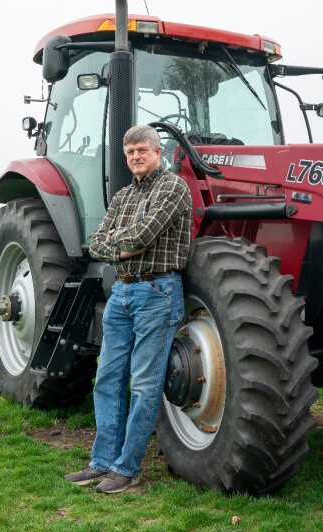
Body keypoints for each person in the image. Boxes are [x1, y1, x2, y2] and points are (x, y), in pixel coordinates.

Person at [65, 124, 192, 494]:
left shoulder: (173, 187)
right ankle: (101, 462)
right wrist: (122, 249)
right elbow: (97, 244)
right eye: (130, 152)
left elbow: (142, 236)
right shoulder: (122, 196)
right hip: (122, 292)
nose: (136, 157)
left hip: (157, 290)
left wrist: (121, 244)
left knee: (143, 383)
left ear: (158, 152)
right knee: (107, 378)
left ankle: (127, 467)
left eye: (142, 150)